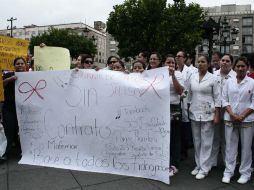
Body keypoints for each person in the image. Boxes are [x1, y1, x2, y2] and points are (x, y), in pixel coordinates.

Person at [221, 56, 254, 184]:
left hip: (247, 120)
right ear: (234, 68)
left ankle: (245, 173)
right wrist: (232, 114)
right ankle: (228, 172)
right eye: (238, 66)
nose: (240, 68)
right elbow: (224, 99)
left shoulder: (252, 82)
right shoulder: (229, 82)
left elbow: (253, 102)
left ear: (247, 68)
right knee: (230, 147)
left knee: (246, 147)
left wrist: (242, 116)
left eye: (243, 66)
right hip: (230, 118)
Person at [188, 55, 220, 180]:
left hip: (208, 113)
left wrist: (217, 114)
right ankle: (198, 165)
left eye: (203, 62)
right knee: (197, 141)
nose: (200, 64)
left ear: (208, 64)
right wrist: (188, 106)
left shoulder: (213, 78)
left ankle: (205, 168)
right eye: (199, 61)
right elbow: (189, 94)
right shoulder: (192, 77)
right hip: (194, 112)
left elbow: (217, 98)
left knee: (206, 142)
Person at [210, 54, 236, 168]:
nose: (224, 62)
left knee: (227, 139)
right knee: (214, 137)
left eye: (227, 61)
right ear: (220, 62)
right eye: (223, 60)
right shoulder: (213, 74)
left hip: (228, 109)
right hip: (215, 109)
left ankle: (227, 163)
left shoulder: (235, 76)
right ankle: (212, 162)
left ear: (231, 63)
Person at [0, 57, 27, 163]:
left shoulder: (30, 76)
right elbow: (2, 84)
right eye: (17, 63)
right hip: (9, 109)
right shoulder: (8, 75)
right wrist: (10, 79)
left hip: (24, 110)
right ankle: (5, 153)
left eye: (22, 63)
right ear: (14, 65)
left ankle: (24, 151)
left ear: (25, 65)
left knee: (25, 132)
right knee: (9, 131)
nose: (20, 65)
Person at [164, 54, 184, 176]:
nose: (170, 65)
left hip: (174, 108)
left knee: (175, 137)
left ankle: (174, 164)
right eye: (168, 62)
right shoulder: (158, 74)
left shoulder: (179, 74)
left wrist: (173, 76)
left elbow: (180, 91)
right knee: (164, 137)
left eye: (172, 63)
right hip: (161, 108)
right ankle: (164, 162)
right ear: (164, 64)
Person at [175, 51, 196, 160]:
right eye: (176, 56)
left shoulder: (192, 71)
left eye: (180, 56)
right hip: (177, 101)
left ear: (185, 58)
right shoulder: (175, 70)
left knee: (185, 126)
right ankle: (181, 150)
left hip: (186, 100)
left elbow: (190, 88)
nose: (177, 58)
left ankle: (186, 149)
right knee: (179, 126)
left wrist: (183, 96)